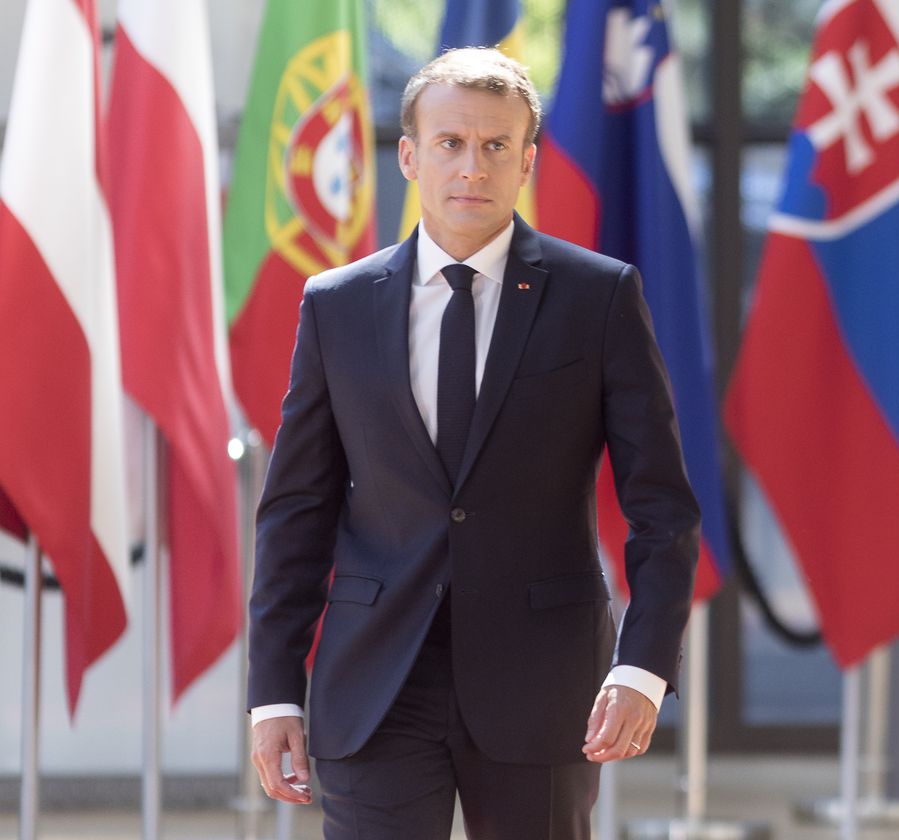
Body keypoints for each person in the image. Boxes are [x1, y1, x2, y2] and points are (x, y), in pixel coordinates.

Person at [245, 47, 700, 839]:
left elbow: (662, 509)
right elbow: (296, 510)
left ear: (526, 161)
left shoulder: (599, 298)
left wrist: (643, 666)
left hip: (545, 684)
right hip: (375, 681)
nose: (472, 166)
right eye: (451, 143)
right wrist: (274, 690)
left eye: (495, 146)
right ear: (411, 156)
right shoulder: (337, 307)